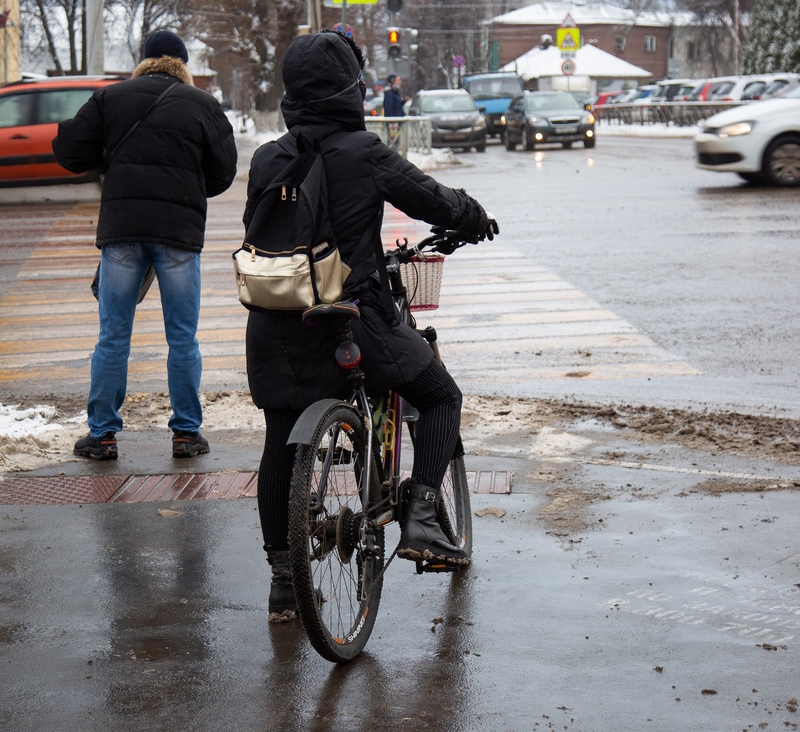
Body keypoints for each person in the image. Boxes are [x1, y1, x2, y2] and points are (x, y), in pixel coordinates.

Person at [244, 31, 498, 622]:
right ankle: (424, 518)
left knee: (278, 442)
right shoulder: (364, 151)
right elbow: (433, 199)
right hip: (353, 320)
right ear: (350, 89)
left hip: (277, 323)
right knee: (440, 397)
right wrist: (475, 216)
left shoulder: (266, 158)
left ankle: (285, 584)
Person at [53, 30, 237, 461]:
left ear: (144, 60)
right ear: (183, 64)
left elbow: (68, 150)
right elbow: (224, 170)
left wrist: (112, 161)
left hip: (122, 231)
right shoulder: (203, 105)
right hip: (178, 233)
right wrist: (187, 187)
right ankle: (186, 434)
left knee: (113, 337)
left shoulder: (111, 97)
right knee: (182, 338)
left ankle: (101, 436)